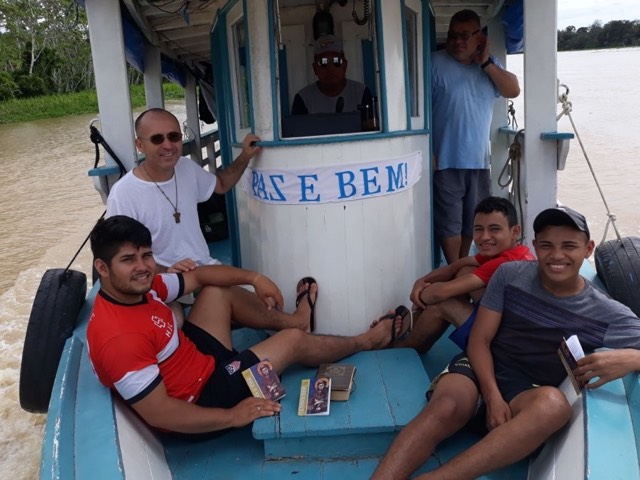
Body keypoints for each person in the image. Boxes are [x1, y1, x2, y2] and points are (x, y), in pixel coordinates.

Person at [372, 206, 640, 480]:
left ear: (588, 249)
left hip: (527, 391)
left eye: (569, 246)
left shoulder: (608, 313)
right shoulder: (510, 275)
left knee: (554, 405)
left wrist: (632, 359)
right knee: (446, 406)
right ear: (534, 246)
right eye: (546, 246)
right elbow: (479, 340)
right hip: (479, 367)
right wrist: (492, 397)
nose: (557, 255)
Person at [87, 215, 400, 437]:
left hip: (197, 358)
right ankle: (366, 340)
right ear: (102, 267)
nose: (142, 267)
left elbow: (198, 277)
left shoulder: (140, 287)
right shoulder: (118, 339)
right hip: (201, 398)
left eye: (147, 255)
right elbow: (161, 413)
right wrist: (231, 416)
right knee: (291, 342)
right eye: (128, 260)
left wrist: (255, 278)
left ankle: (298, 319)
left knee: (215, 292)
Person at [106, 108, 258, 272]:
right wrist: (166, 271)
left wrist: (245, 156)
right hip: (162, 280)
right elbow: (120, 256)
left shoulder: (186, 167)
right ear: (140, 145)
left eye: (174, 136)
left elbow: (221, 184)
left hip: (203, 267)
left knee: (259, 289)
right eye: (157, 139)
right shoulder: (123, 194)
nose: (168, 145)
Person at [432, 10, 521, 264]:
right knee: (449, 221)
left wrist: (485, 63)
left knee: (474, 220)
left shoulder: (489, 66)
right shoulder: (433, 63)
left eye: (464, 35)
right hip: (445, 159)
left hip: (479, 161)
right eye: (452, 35)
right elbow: (413, 109)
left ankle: (462, 266)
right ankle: (455, 268)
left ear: (479, 38)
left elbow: (513, 89)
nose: (457, 41)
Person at [394, 196, 534, 353]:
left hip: (508, 345)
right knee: (465, 271)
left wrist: (419, 293)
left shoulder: (506, 262)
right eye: (479, 229)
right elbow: (459, 264)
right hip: (506, 322)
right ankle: (412, 328)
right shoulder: (515, 251)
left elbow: (438, 294)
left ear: (515, 232)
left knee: (443, 302)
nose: (485, 237)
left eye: (494, 229)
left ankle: (405, 346)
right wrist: (421, 281)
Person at [291, 34, 373, 115]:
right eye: (323, 62)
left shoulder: (361, 92)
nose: (330, 68)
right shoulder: (303, 98)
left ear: (345, 65)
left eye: (336, 61)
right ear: (315, 68)